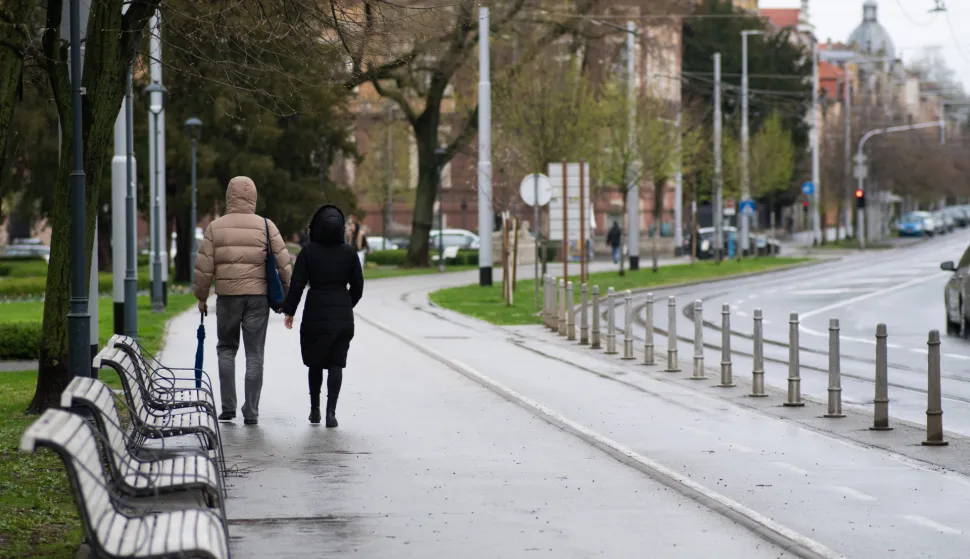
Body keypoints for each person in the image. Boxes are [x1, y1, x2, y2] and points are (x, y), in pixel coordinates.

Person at [194, 176, 292, 426]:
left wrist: (202, 297)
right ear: (253, 198)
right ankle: (251, 410)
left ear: (229, 197)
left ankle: (228, 408)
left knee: (226, 349)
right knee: (254, 353)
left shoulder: (215, 228)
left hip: (227, 297)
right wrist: (288, 295)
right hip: (258, 298)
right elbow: (283, 263)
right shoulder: (267, 226)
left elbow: (204, 267)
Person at [283, 204, 364, 427]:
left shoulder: (308, 252)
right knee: (337, 362)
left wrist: (290, 310)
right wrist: (347, 303)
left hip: (315, 310)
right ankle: (331, 412)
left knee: (315, 362)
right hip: (342, 313)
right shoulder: (349, 252)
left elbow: (297, 284)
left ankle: (314, 409)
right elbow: (358, 284)